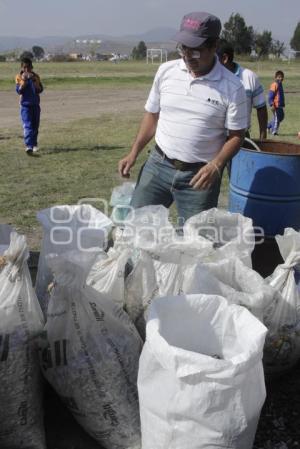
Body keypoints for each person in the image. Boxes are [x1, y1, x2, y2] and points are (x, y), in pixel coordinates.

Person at [118, 12, 247, 224]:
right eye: (183, 48)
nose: (187, 56)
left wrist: (216, 165)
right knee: (136, 230)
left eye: (195, 51)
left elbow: (236, 135)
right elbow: (152, 115)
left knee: (194, 244)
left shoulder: (233, 87)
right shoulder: (166, 71)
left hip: (199, 178)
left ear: (214, 46)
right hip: (157, 166)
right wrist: (133, 153)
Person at [217, 40, 268, 141]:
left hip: (240, 138)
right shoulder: (209, 77)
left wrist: (263, 138)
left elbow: (261, 108)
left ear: (224, 58)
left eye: (213, 57)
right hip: (215, 138)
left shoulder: (249, 77)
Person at [15, 57, 43, 154]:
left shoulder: (36, 76)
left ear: (32, 67)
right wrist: (24, 81)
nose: (27, 69)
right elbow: (19, 91)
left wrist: (34, 80)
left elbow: (40, 90)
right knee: (28, 125)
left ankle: (34, 144)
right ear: (22, 68)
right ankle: (28, 146)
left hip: (35, 105)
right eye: (25, 67)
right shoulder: (19, 77)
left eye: (29, 67)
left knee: (35, 126)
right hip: (25, 106)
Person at [267, 70, 285, 136]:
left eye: (282, 77)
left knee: (281, 117)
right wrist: (271, 104)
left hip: (280, 105)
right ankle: (274, 132)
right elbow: (270, 95)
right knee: (277, 119)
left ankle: (268, 125)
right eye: (279, 77)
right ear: (275, 77)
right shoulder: (274, 84)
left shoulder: (280, 85)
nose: (280, 78)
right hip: (275, 105)